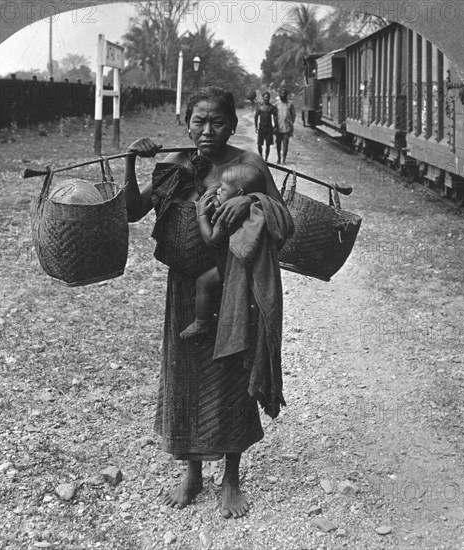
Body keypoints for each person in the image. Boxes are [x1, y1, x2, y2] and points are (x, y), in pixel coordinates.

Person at [123, 86, 294, 519]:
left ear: (234, 125)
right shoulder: (175, 166)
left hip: (234, 285)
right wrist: (129, 161)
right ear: (186, 123)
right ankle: (192, 472)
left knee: (232, 373)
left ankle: (231, 479)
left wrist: (251, 201)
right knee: (185, 377)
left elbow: (284, 218)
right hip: (184, 290)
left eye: (217, 121)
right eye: (198, 121)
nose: (207, 130)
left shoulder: (249, 165)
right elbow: (131, 211)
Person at [180, 164, 267, 339]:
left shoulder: (228, 214)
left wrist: (201, 215)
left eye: (223, 189)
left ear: (240, 194)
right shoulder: (252, 210)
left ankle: (201, 322)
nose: (218, 191)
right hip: (245, 265)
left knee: (203, 282)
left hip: (229, 266)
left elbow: (211, 239)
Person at [274, 87, 296, 164]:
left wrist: (290, 123)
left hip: (287, 128)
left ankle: (284, 159)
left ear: (286, 95)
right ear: (279, 95)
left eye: (284, 94)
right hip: (278, 128)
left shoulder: (290, 104)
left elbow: (293, 115)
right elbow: (274, 115)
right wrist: (275, 125)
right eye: (281, 94)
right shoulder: (276, 104)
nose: (283, 95)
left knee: (286, 144)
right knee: (278, 144)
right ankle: (279, 158)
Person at [254, 92, 277, 161]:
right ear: (263, 97)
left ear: (269, 98)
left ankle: (266, 159)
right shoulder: (260, 106)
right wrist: (256, 126)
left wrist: (275, 126)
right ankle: (261, 157)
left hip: (269, 128)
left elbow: (275, 116)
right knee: (259, 144)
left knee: (268, 145)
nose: (266, 99)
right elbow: (256, 116)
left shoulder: (271, 107)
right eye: (265, 97)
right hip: (261, 127)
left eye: (268, 97)